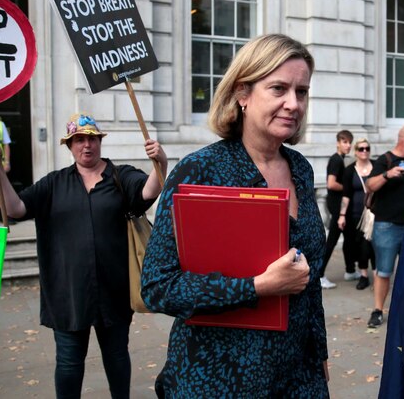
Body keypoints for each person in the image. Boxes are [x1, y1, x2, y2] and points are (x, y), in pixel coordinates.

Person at [141, 34, 330, 397]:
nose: (293, 103)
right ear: (243, 94)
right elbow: (157, 287)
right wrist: (257, 287)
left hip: (296, 377)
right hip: (219, 377)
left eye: (301, 91)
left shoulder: (300, 169)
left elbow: (310, 281)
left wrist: (318, 352)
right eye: (278, 89)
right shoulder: (200, 171)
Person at [0, 113, 167, 398]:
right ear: (69, 146)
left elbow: (147, 191)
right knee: (68, 364)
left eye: (91, 139)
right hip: (67, 293)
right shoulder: (54, 183)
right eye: (79, 140)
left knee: (117, 357)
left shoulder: (121, 176)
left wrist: (160, 163)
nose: (86, 145)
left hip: (114, 290)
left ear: (100, 142)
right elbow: (15, 208)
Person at [364, 125, 404, 328]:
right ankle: (378, 310)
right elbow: (370, 185)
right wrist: (388, 175)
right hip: (387, 226)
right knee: (384, 271)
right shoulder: (385, 160)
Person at [337, 137, 376, 290]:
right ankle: (364, 275)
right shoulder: (349, 170)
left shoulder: (376, 166)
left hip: (375, 213)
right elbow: (346, 195)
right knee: (361, 246)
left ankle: (377, 275)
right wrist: (341, 215)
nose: (364, 151)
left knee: (375, 245)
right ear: (356, 152)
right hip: (356, 215)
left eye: (367, 148)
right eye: (361, 149)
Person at [319, 129, 353, 289]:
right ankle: (319, 275)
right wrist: (348, 188)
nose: (348, 145)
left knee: (349, 238)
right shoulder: (336, 160)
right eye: (345, 142)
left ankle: (350, 270)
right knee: (331, 241)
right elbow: (331, 184)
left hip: (339, 206)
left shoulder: (340, 159)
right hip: (336, 206)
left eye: (349, 142)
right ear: (338, 143)